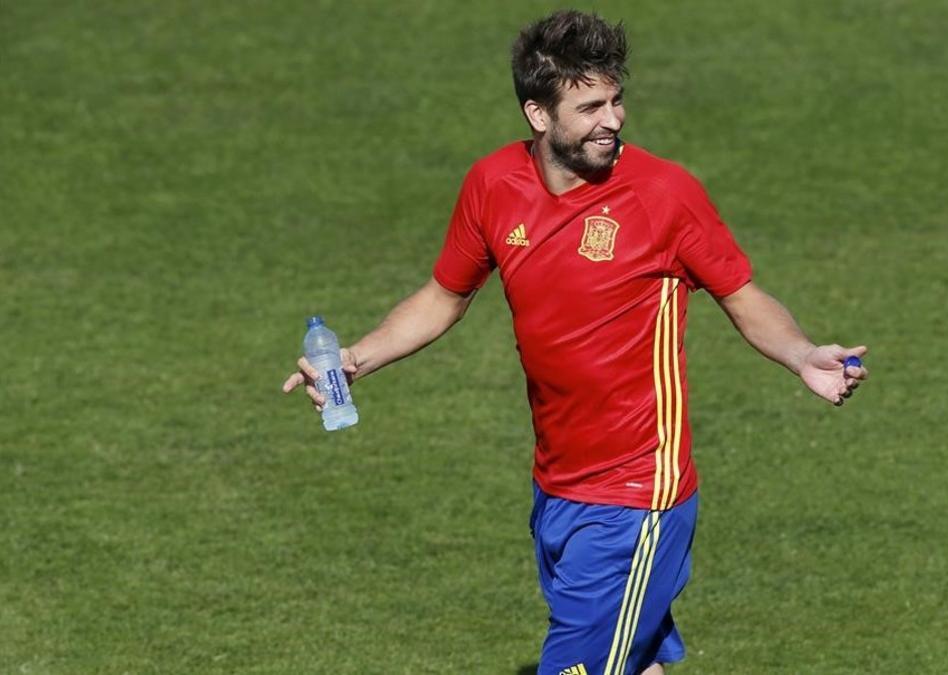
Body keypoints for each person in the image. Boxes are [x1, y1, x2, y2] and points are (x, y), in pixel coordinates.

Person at [283, 9, 869, 675]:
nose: (613, 119)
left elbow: (743, 295)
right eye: (590, 106)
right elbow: (444, 294)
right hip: (558, 487)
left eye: (617, 100)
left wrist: (801, 354)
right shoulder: (492, 186)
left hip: (638, 495)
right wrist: (359, 356)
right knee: (635, 661)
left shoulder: (663, 194)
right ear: (538, 114)